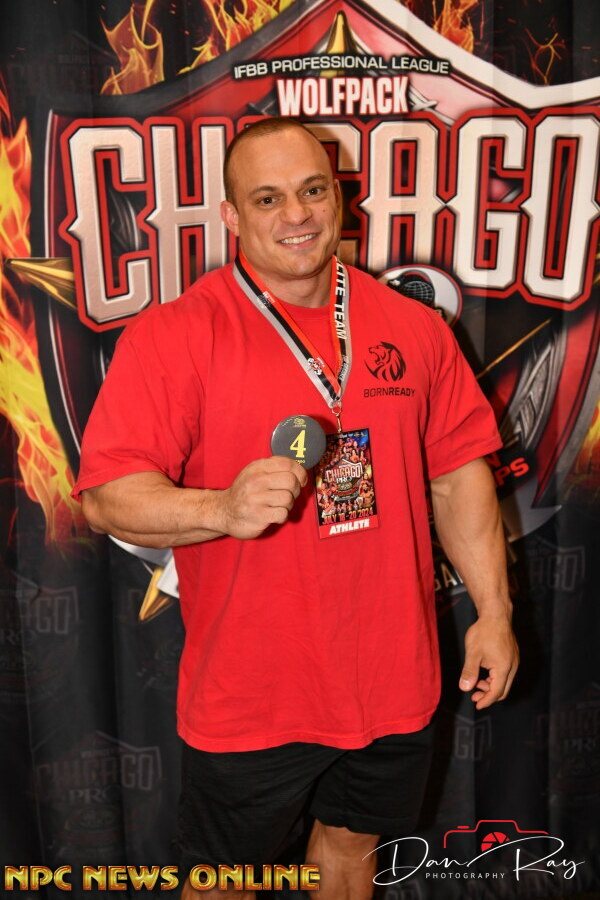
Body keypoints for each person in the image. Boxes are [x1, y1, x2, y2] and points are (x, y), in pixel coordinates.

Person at [74, 118, 519, 900]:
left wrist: (494, 611)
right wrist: (221, 508)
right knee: (223, 882)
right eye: (268, 198)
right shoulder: (178, 335)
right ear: (231, 216)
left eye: (313, 190)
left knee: (349, 855)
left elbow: (458, 477)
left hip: (394, 680)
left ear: (339, 198)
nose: (297, 215)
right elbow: (107, 497)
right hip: (254, 692)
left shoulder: (414, 326)